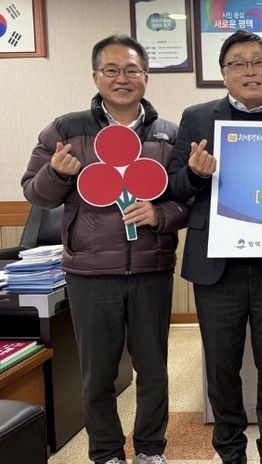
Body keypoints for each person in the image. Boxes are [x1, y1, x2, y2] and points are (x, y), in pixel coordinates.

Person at [21, 35, 188, 464]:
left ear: (146, 77)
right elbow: (36, 194)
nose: (122, 79)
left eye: (132, 70)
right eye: (111, 70)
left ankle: (150, 450)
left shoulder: (169, 134)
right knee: (98, 375)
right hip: (90, 273)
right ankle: (107, 453)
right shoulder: (66, 129)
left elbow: (187, 200)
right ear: (96, 77)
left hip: (151, 268)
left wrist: (160, 215)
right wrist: (57, 174)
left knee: (153, 370)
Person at [164, 30, 262, 464]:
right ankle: (230, 452)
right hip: (217, 266)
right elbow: (173, 187)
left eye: (259, 62)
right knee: (221, 366)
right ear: (223, 74)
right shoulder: (196, 118)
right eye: (238, 64)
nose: (250, 71)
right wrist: (195, 173)